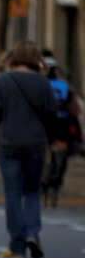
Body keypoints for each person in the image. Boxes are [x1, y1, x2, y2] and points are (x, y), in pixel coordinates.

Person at [0, 41, 57, 258]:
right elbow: (52, 114)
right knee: (32, 191)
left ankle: (17, 246)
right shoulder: (43, 82)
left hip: (8, 144)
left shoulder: (3, 80)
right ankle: (32, 233)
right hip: (36, 144)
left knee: (12, 193)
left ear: (13, 58)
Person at [40, 51, 81, 208]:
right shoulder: (64, 86)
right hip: (61, 124)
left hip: (45, 124)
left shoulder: (40, 84)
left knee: (42, 153)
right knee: (62, 154)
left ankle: (44, 181)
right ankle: (56, 182)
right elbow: (73, 108)